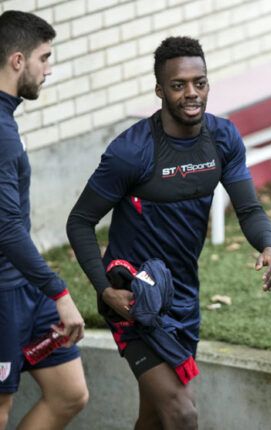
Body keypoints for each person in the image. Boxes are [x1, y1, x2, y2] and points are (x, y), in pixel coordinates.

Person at [66, 36, 271, 429]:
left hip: (183, 297)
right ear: (160, 90)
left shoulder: (222, 139)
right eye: (179, 85)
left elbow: (248, 208)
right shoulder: (131, 151)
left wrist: (268, 244)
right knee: (182, 414)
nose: (191, 93)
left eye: (199, 82)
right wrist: (105, 289)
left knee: (154, 418)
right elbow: (79, 222)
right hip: (133, 299)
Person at [0, 10, 89, 430]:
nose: (49, 69)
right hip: (3, 295)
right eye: (44, 57)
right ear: (18, 61)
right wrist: (59, 291)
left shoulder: (6, 120)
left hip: (24, 285)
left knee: (69, 393)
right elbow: (6, 228)